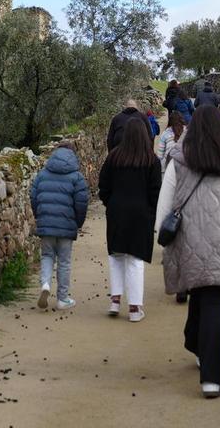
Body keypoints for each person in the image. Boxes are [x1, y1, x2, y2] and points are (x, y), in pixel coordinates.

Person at [156, 105, 220, 398]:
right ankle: (204, 360)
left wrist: (161, 238)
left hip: (190, 239)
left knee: (204, 297)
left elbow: (166, 203)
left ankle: (208, 371)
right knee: (213, 301)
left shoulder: (178, 160)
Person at [98, 119, 163, 322]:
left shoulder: (113, 158)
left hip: (117, 211)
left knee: (116, 256)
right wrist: (151, 212)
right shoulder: (151, 160)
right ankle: (135, 308)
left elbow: (103, 186)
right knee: (135, 260)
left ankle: (115, 301)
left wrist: (111, 203)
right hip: (141, 213)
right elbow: (155, 191)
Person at [30, 143, 90, 310]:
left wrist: (39, 216)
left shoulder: (42, 175)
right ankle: (63, 299)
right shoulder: (77, 177)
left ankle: (45, 285)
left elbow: (33, 197)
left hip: (46, 224)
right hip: (66, 225)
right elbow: (82, 203)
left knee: (47, 255)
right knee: (64, 261)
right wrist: (78, 223)